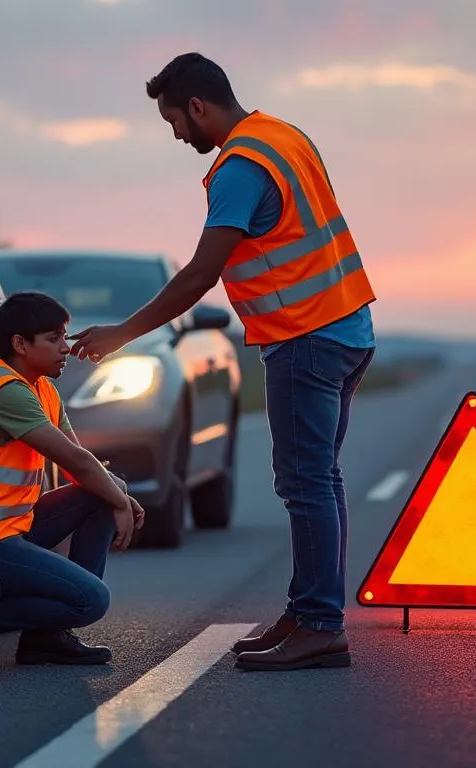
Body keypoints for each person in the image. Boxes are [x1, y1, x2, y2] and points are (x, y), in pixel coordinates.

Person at [68, 53, 378, 671]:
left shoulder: (241, 166)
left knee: (306, 482)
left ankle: (320, 623)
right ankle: (307, 612)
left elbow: (200, 275)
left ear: (199, 107)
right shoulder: (284, 136)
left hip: (305, 335)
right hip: (347, 324)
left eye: (174, 120)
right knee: (320, 479)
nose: (177, 134)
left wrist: (123, 333)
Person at [0, 291, 146, 671]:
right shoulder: (5, 391)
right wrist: (122, 501)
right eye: (54, 339)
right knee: (92, 601)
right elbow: (75, 459)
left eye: (65, 337)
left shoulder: (43, 389)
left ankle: (47, 638)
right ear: (20, 344)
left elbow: (81, 467)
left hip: (14, 529)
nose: (65, 348)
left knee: (105, 491)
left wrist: (119, 495)